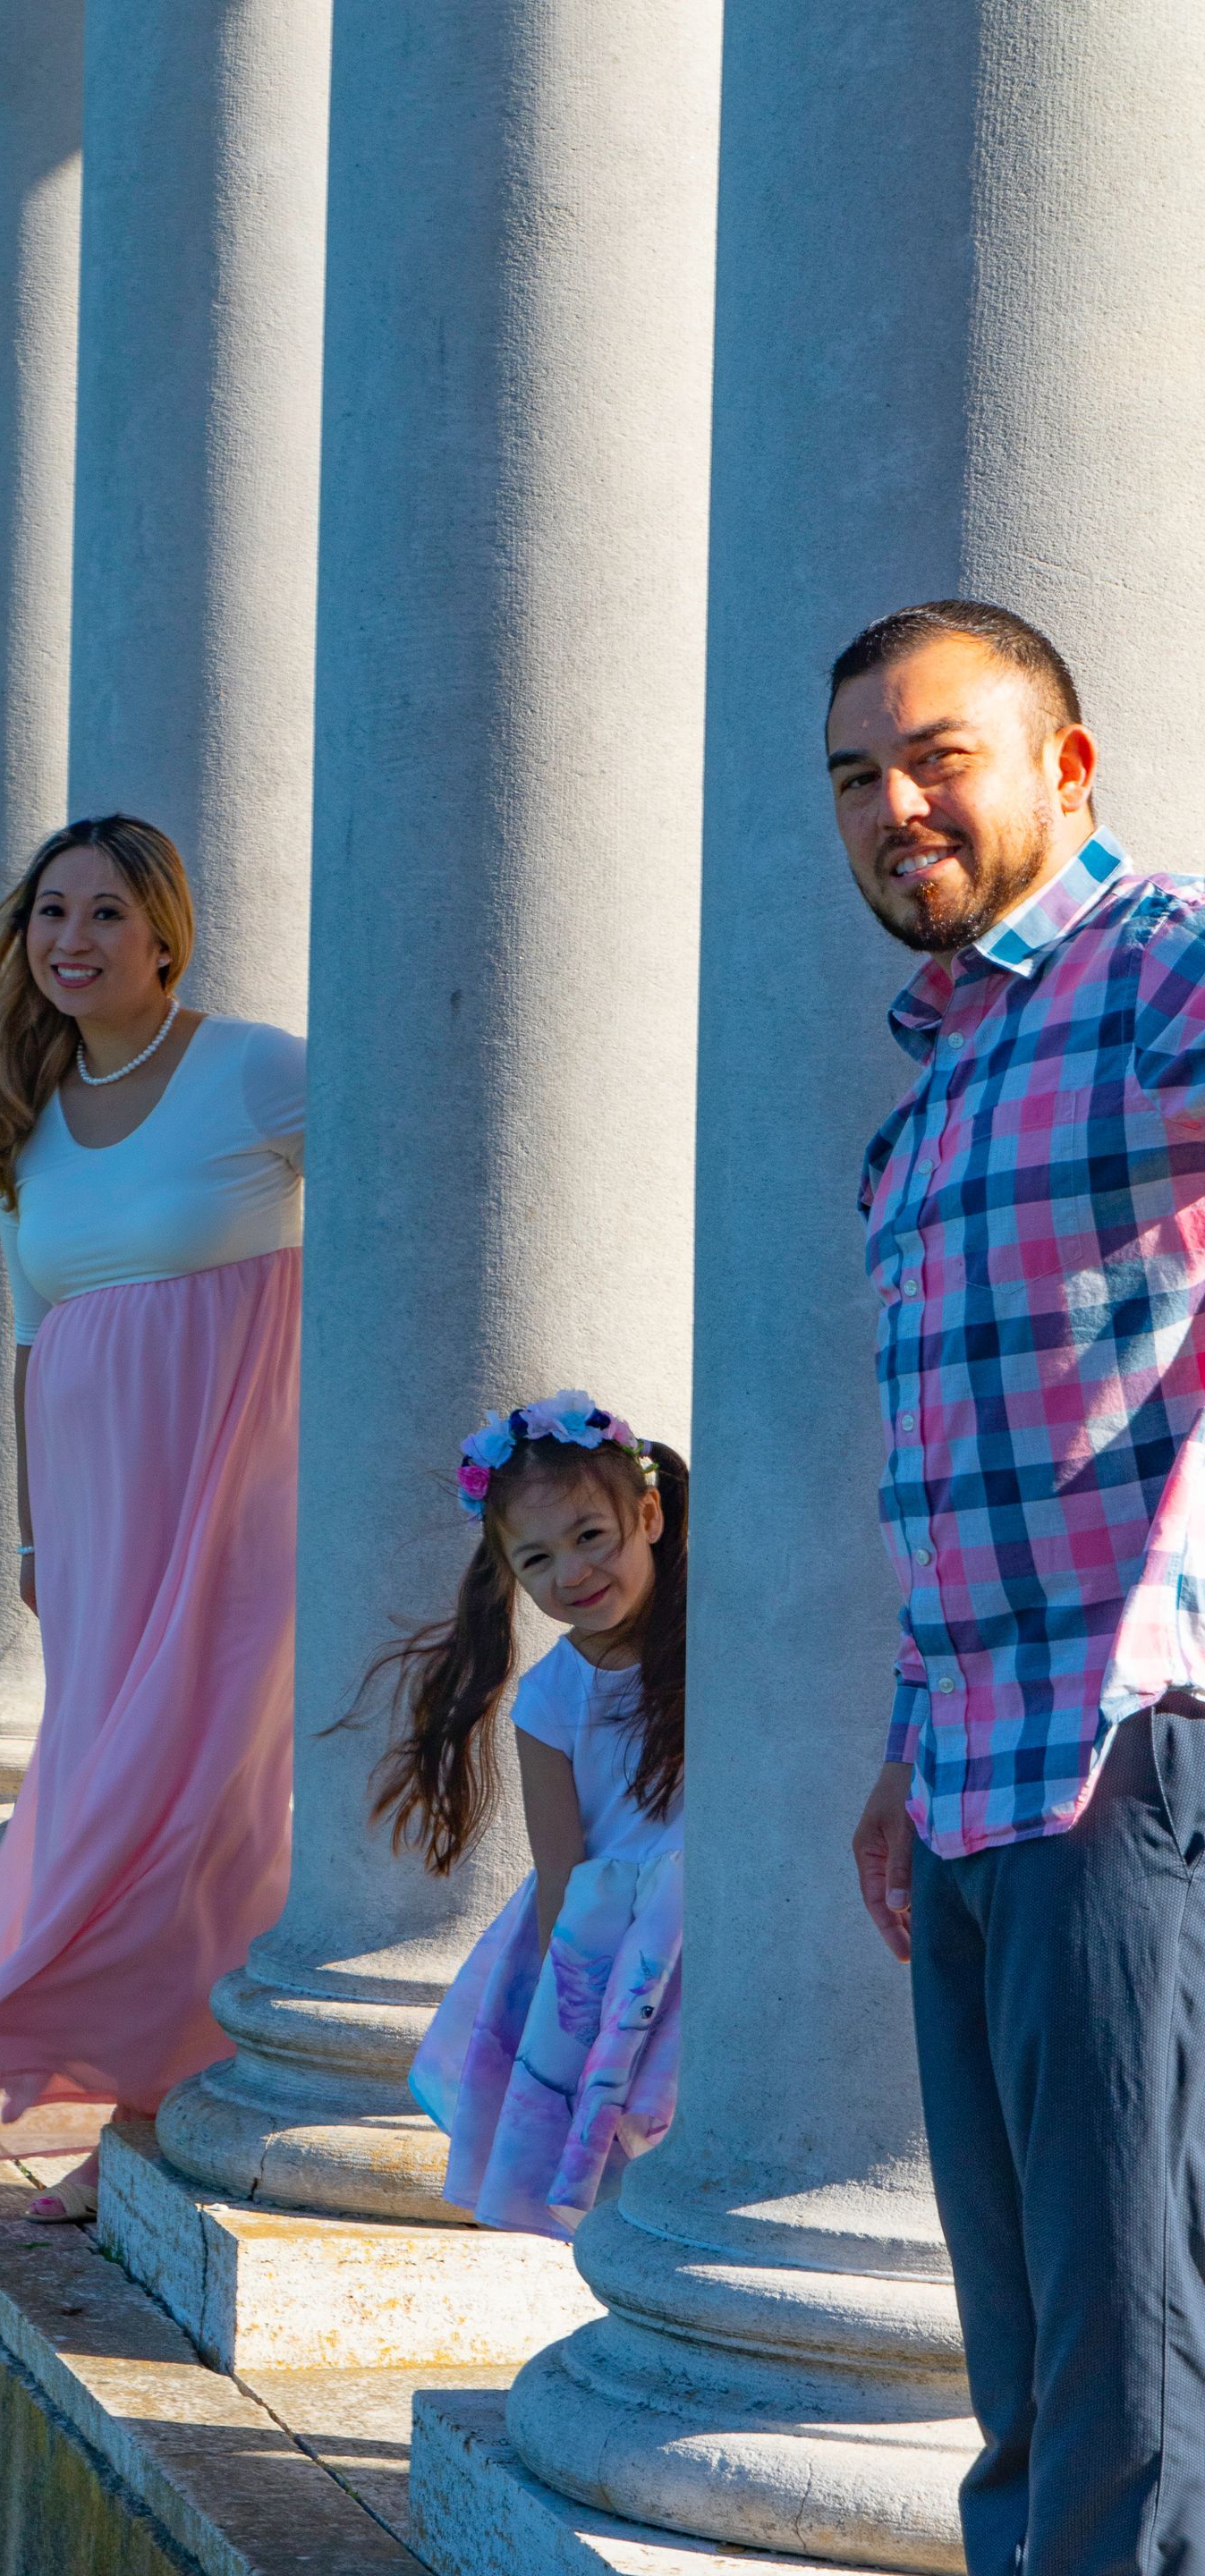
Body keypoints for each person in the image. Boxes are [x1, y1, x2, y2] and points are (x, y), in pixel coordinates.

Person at [837, 601, 1205, 2571]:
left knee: (1137, 2380)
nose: (894, 807)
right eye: (857, 779)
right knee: (1035, 2382)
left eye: (938, 758)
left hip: (1128, 1755)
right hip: (977, 1773)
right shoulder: (942, 1076)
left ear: (1067, 769)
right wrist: (907, 1748)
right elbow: (967, 1461)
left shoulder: (1158, 971)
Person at [0, 813, 304, 2223]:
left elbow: (414, 1207)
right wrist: (32, 1540)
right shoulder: (28, 1116)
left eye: (105, 914)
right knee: (104, 1788)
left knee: (203, 1796)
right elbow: (34, 1341)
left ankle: (151, 2091)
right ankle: (128, 2103)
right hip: (92, 1522)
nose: (71, 940)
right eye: (50, 913)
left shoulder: (253, 1070)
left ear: (165, 937)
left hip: (237, 1493)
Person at [369, 1394, 686, 2239]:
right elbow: (561, 1873)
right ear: (509, 1571)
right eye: (537, 1559)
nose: (571, 1573)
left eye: (592, 1537)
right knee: (624, 2166)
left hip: (707, 1914)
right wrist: (568, 2021)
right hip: (619, 1948)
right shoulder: (548, 1698)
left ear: (649, 1515)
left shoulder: (715, 1642)